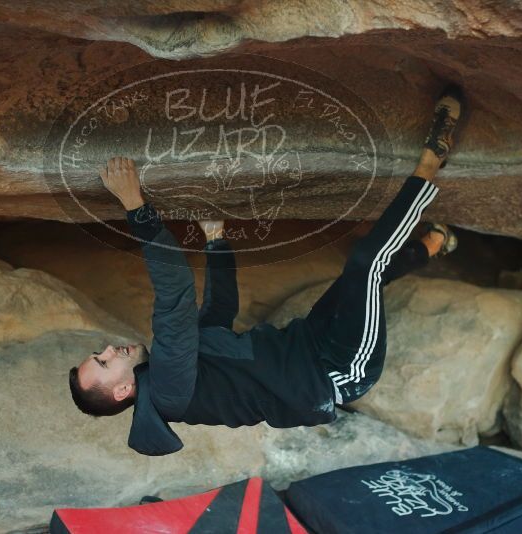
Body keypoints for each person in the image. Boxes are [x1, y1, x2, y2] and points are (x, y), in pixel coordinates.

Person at [69, 85, 464, 455]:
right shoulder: (168, 389)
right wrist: (135, 205)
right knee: (366, 264)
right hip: (337, 370)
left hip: (309, 341)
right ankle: (431, 162)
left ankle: (430, 246)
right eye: (104, 361)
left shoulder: (170, 373)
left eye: (97, 353)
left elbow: (220, 312)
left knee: (358, 282)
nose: (107, 349)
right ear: (122, 390)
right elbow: (174, 291)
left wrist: (215, 241)